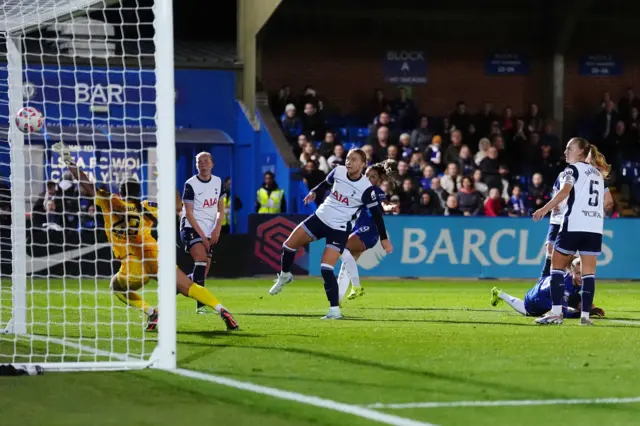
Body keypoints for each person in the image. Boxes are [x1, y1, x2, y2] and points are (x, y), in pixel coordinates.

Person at [52, 141, 238, 331]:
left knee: (116, 287)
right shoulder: (147, 206)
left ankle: (151, 312)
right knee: (188, 286)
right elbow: (177, 208)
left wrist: (68, 159)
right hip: (156, 256)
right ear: (138, 193)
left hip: (133, 265)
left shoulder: (112, 203)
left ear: (121, 192)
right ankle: (221, 309)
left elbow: (87, 186)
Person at [268, 149, 393, 319]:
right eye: (348, 158)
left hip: (339, 228)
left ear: (363, 164)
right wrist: (313, 191)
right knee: (288, 246)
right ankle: (284, 276)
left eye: (354, 160)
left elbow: (378, 215)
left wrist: (384, 239)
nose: (349, 162)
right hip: (320, 218)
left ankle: (334, 310)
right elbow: (325, 183)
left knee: (326, 268)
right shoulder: (339, 171)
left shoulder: (367, 189)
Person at [532, 138, 610, 326]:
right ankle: (585, 317)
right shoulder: (598, 174)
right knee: (589, 274)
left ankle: (556, 313)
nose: (565, 152)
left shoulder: (571, 169)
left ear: (581, 152)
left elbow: (564, 192)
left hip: (574, 225)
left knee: (556, 267)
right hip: (594, 228)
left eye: (569, 149)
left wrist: (544, 209)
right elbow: (607, 202)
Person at [336, 160, 399, 302]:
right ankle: (337, 301)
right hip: (357, 228)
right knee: (346, 266)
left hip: (368, 231)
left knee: (339, 245)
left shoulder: (376, 191)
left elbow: (384, 205)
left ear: (379, 180)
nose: (369, 178)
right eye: (367, 175)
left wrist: (390, 208)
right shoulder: (358, 189)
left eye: (373, 176)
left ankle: (357, 286)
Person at [180, 152, 224, 314]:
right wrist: (203, 238)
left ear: (212, 164)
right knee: (200, 260)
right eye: (199, 162)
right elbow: (189, 214)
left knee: (203, 271)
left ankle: (176, 287)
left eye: (206, 161)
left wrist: (217, 228)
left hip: (209, 229)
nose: (203, 164)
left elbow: (220, 208)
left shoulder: (218, 182)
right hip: (191, 227)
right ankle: (201, 306)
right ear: (196, 165)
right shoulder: (190, 184)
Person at [490, 257, 605, 318]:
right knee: (529, 312)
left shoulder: (573, 280)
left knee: (578, 303)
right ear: (571, 271)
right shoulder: (564, 285)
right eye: (578, 273)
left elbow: (574, 296)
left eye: (583, 273)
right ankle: (500, 294)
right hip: (536, 300)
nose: (581, 277)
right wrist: (584, 313)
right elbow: (562, 313)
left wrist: (587, 307)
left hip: (541, 289)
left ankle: (499, 293)